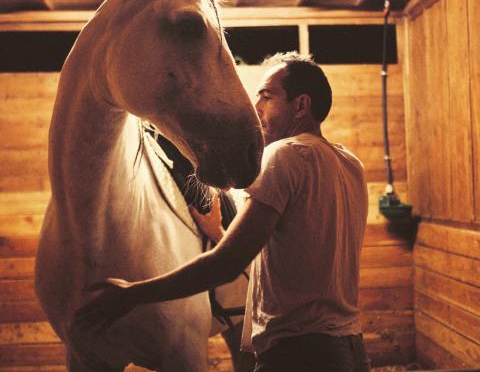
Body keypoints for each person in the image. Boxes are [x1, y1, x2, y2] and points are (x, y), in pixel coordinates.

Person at [74, 52, 370, 372]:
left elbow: (225, 265)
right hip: (350, 347)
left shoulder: (286, 155)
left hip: (299, 353)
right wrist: (220, 234)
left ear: (301, 105)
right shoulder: (349, 164)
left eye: (267, 97)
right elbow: (301, 250)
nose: (256, 108)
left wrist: (132, 294)